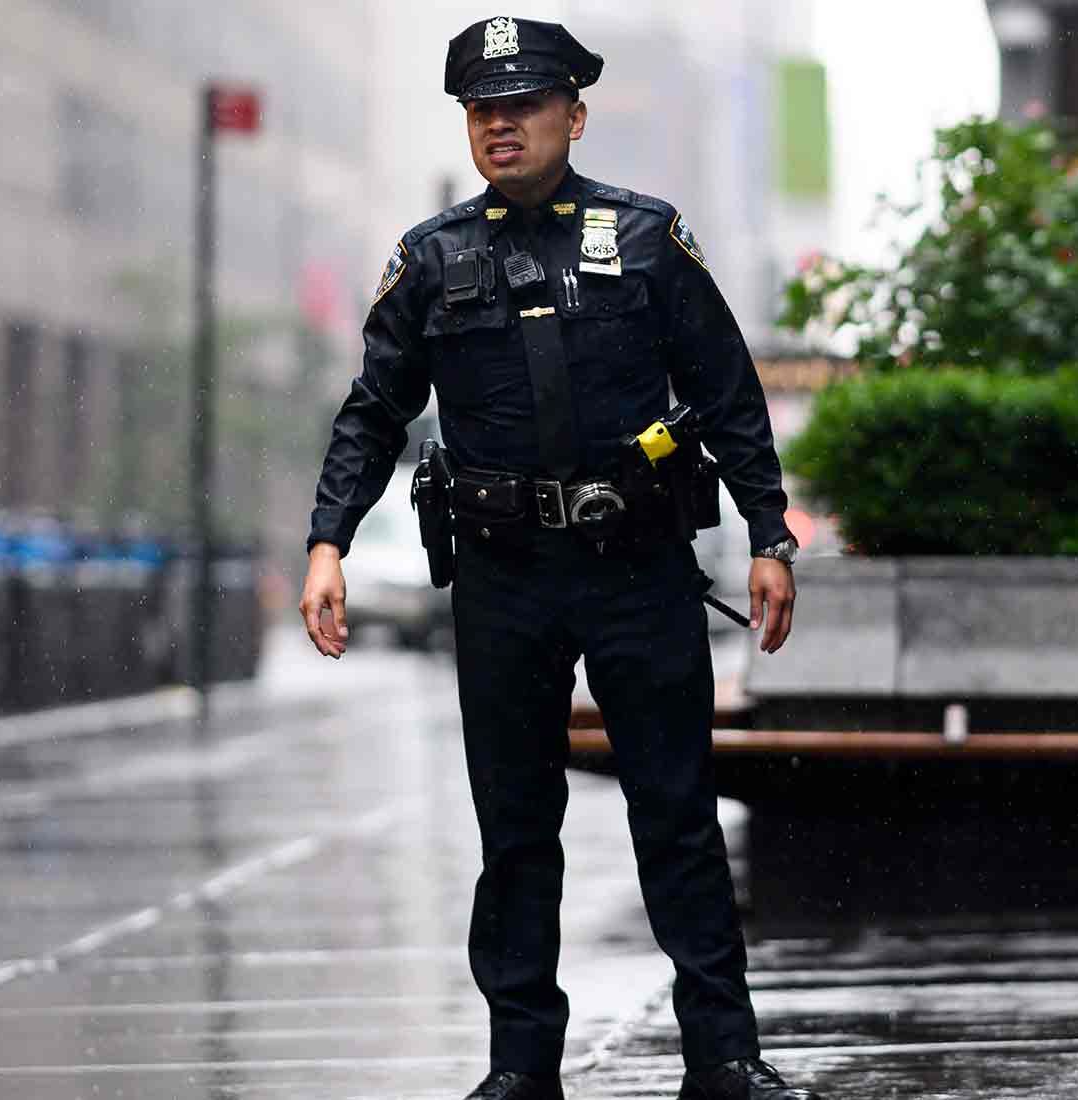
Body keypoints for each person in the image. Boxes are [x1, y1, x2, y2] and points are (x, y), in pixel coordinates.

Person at [299, 17, 815, 1100]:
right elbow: (372, 412)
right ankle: (519, 1064)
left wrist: (768, 534)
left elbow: (724, 393)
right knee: (515, 830)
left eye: (522, 107)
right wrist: (327, 540)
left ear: (570, 118)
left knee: (673, 813)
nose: (500, 125)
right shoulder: (433, 258)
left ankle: (721, 1054)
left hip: (635, 567)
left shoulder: (643, 240)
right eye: (482, 111)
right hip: (501, 576)